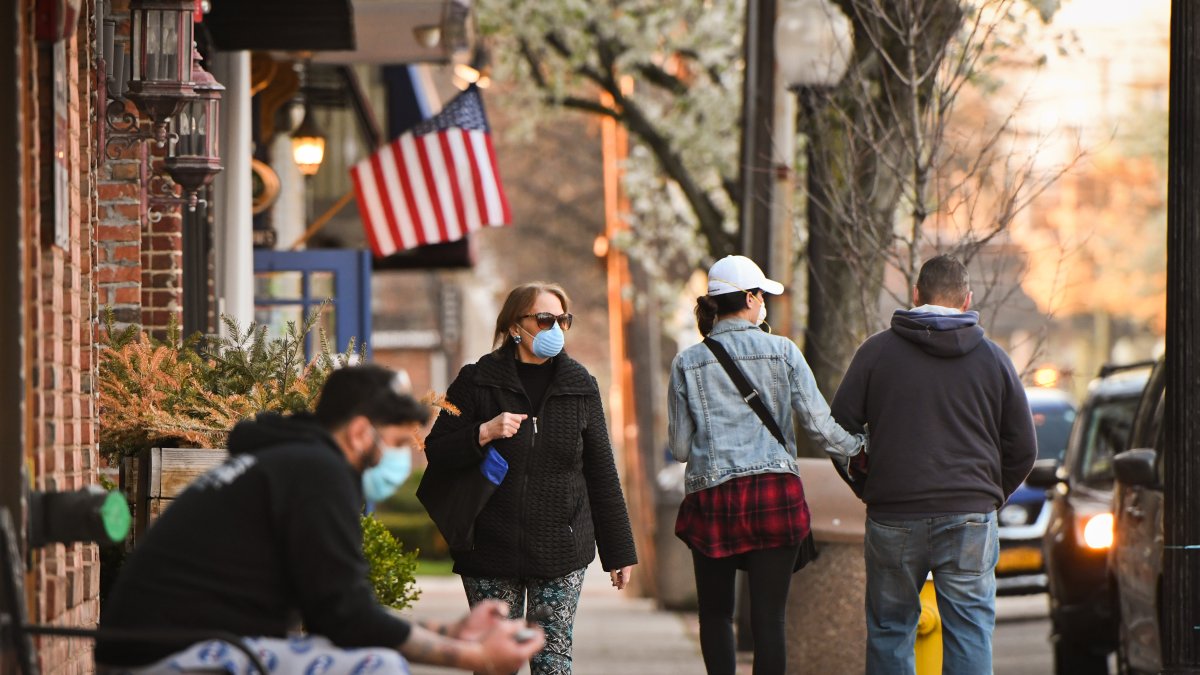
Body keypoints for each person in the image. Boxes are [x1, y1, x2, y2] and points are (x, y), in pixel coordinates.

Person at [95, 364, 545, 674]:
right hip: (170, 658)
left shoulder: (291, 461)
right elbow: (348, 619)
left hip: (178, 648)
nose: (392, 459)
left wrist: (457, 632)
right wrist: (475, 658)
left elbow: (340, 611)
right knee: (377, 666)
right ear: (358, 431)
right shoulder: (318, 471)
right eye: (390, 442)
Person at [830, 254, 1037, 674]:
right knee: (970, 629)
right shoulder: (993, 359)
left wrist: (868, 486)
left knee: (890, 629)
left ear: (915, 295)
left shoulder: (876, 353)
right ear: (967, 300)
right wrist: (989, 495)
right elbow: (1024, 447)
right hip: (970, 515)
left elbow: (838, 431)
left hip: (894, 514)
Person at [422, 282, 637, 675]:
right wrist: (483, 432)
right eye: (544, 319)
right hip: (489, 547)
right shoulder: (476, 381)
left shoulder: (580, 385)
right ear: (515, 325)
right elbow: (436, 449)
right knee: (495, 664)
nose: (554, 328)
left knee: (552, 663)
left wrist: (619, 550)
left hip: (561, 550)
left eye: (562, 320)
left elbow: (601, 471)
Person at [667, 255, 866, 675]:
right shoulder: (783, 352)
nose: (765, 305)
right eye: (763, 297)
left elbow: (681, 447)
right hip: (775, 493)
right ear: (752, 298)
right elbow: (820, 426)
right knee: (769, 619)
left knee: (717, 614)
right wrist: (860, 448)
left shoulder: (687, 363)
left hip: (714, 496)